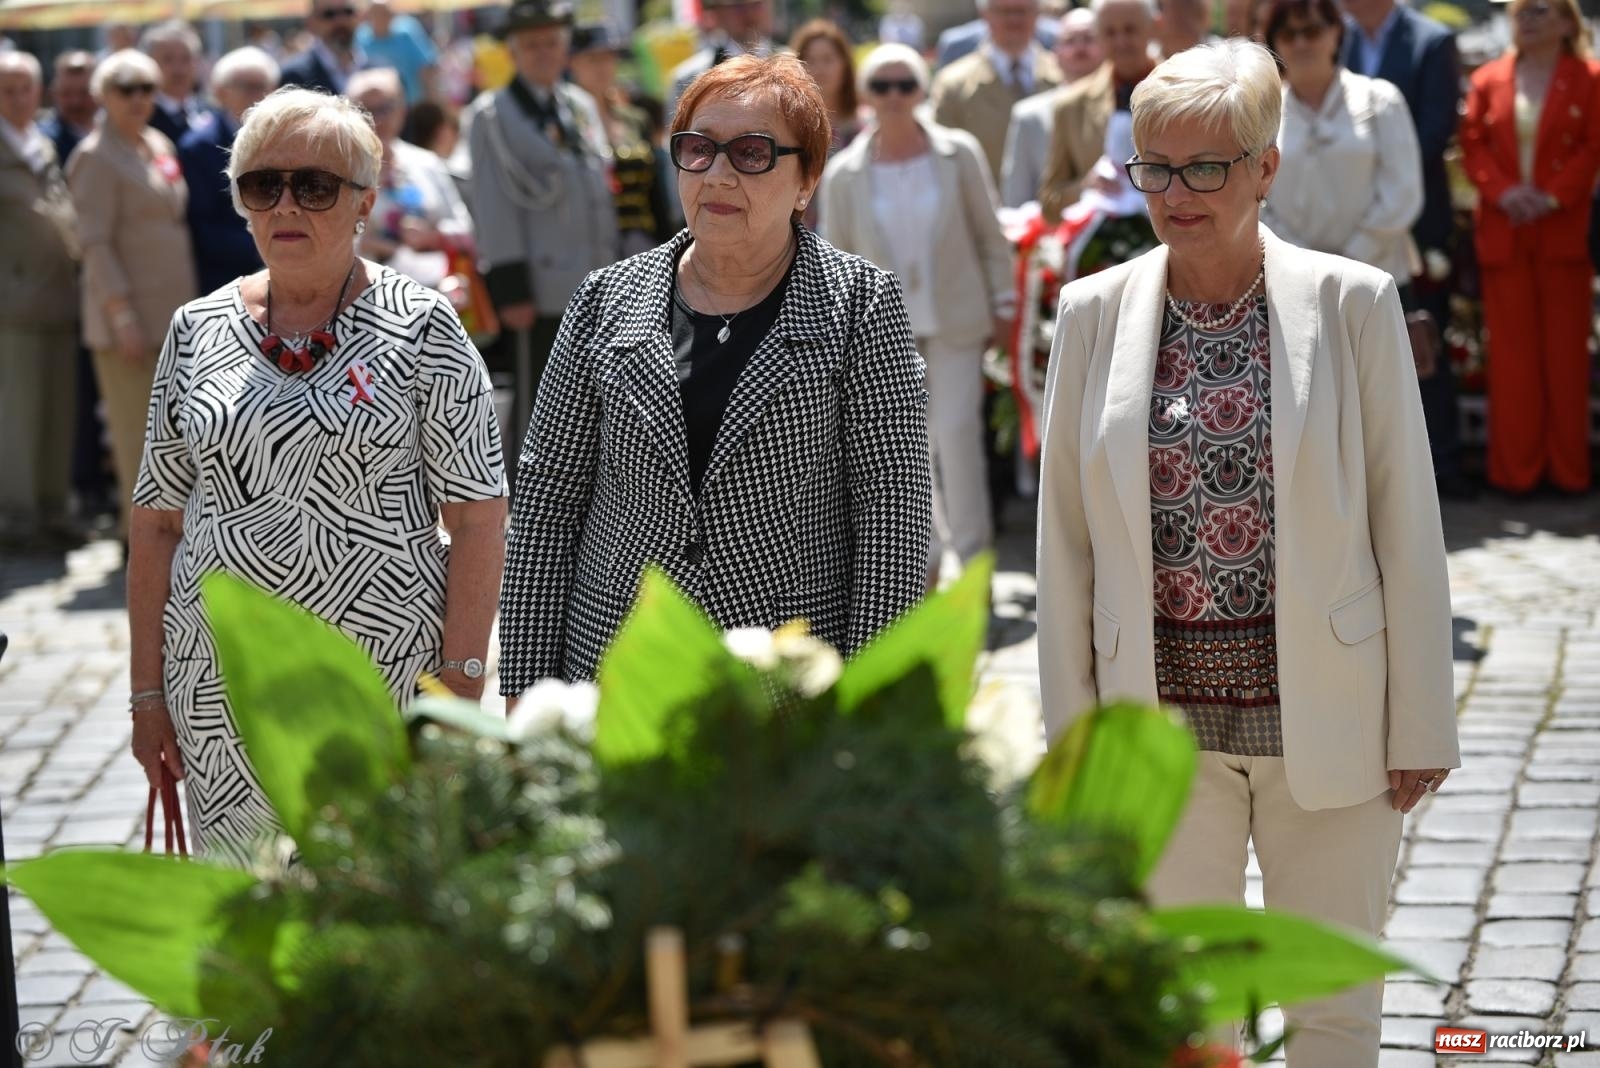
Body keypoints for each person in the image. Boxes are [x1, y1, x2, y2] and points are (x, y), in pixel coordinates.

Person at [1036, 40, 1458, 1068]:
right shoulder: (1093, 311)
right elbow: (1064, 543)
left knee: (1333, 1007)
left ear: (1265, 168)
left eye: (1206, 167)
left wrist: (1422, 719)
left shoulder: (1352, 303)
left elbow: (1406, 517)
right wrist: (1071, 744)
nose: (1176, 193)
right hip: (1158, 727)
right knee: (1182, 1016)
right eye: (1156, 168)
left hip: (1334, 718)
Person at [127, 87, 507, 867]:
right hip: (221, 689)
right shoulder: (195, 329)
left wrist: (462, 687)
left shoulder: (426, 324)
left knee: (377, 926)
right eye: (263, 185)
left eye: (315, 185)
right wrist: (147, 696)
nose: (286, 204)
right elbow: (157, 520)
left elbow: (477, 515)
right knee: (249, 921)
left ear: (365, 200)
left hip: (383, 679)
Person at [497, 54, 931, 695]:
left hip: (786, 690)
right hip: (619, 675)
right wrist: (527, 694)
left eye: (752, 153)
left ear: (807, 179)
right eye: (697, 150)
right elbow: (546, 505)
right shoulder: (604, 298)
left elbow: (892, 520)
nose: (718, 174)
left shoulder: (859, 304)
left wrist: (868, 709)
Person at [820, 43, 1011, 586]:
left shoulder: (958, 151)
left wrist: (1003, 302)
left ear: (923, 88)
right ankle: (920, 566)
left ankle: (974, 567)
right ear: (866, 95)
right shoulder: (845, 173)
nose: (895, 96)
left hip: (956, 318)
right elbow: (835, 259)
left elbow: (988, 233)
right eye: (883, 86)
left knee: (956, 436)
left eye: (906, 84)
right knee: (904, 449)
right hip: (883, 332)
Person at [465, 0, 617, 454]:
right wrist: (511, 289)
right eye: (531, 45)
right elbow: (492, 205)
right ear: (513, 52)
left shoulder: (578, 106)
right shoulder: (491, 115)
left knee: (595, 408)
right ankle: (534, 514)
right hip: (541, 290)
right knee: (544, 414)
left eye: (552, 43)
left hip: (596, 280)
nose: (544, 53)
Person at [1461, 0, 1600, 496]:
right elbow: (1471, 144)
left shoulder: (1590, 76)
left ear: (1567, 21)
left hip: (1561, 228)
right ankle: (1515, 474)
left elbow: (1593, 145)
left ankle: (1569, 472)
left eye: (1540, 10)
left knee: (1565, 357)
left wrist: (1551, 195)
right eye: (1520, 11)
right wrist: (1503, 192)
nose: (1528, 19)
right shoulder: (1487, 79)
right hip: (1506, 228)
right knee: (1511, 359)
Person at [67, 49, 197, 546]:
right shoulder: (95, 156)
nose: (140, 97)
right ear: (103, 94)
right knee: (135, 436)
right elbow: (93, 242)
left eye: (148, 87)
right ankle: (138, 540)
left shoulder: (156, 142)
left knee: (170, 435)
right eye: (127, 88)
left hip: (170, 316)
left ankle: (168, 535)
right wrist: (121, 315)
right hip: (129, 320)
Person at [1339, 0, 1468, 497]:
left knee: (1422, 342)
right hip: (1347, 222)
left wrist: (1386, 182)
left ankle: (1440, 465)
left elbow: (1436, 127)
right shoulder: (1332, 36)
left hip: (1411, 219)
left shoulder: (1431, 40)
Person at [1260, 0, 1423, 289]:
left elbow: (1402, 192)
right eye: (1288, 35)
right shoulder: (1262, 115)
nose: (1300, 43)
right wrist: (1303, 261)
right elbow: (1257, 200)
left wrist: (1351, 256)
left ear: (1336, 31)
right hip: (1297, 283)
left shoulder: (1380, 100)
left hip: (1377, 278)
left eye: (1311, 31)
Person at [0, 51, 81, 551]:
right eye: (7, 87)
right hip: (13, 304)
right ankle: (17, 517)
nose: (17, 96)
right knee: (17, 414)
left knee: (57, 412)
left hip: (59, 297)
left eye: (25, 86)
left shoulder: (41, 144)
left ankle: (52, 508)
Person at [348, 68, 473, 288]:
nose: (378, 119)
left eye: (386, 107)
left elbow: (464, 226)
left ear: (403, 109)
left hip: (439, 294)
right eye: (366, 110)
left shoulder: (425, 163)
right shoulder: (343, 172)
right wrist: (376, 245)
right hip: (371, 301)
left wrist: (432, 236)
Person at [1039, 0, 1157, 218]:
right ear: (1099, 36)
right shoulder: (1072, 106)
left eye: (1130, 29)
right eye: (1109, 32)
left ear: (1153, 27)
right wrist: (1087, 186)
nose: (1121, 41)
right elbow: (1049, 203)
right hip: (1105, 245)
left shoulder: (1186, 93)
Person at [568, 21, 674, 257]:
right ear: (572, 64)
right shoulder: (565, 123)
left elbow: (656, 192)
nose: (602, 67)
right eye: (592, 59)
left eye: (608, 57)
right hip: (588, 245)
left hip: (643, 241)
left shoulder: (635, 119)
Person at [179, 47, 279, 296]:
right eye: (247, 86)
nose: (259, 95)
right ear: (220, 92)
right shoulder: (199, 146)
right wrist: (268, 246)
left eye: (264, 86)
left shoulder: (284, 139)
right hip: (227, 280)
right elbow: (201, 224)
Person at [932, 0, 1065, 184]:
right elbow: (943, 160)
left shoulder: (1065, 77)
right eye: (1004, 11)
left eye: (1021, 11)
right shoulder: (953, 85)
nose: (1014, 20)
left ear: (1037, 13)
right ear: (985, 15)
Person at [1001, 6, 1103, 207]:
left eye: (1089, 39)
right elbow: (1016, 200)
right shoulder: (1029, 115)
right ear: (1055, 54)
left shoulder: (1129, 105)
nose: (1080, 49)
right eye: (1070, 41)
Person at [667, 0, 776, 121]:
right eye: (738, 6)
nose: (749, 13)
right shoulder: (690, 77)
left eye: (757, 4)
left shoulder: (792, 61)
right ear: (717, 13)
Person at [356, 0, 439, 106]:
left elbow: (426, 67)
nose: (382, 18)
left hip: (410, 105)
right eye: (378, 14)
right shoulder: (361, 38)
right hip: (377, 107)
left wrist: (432, 100)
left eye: (386, 14)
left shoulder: (406, 34)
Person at [280, 0, 371, 95]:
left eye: (348, 11)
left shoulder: (374, 69)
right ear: (311, 23)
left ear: (360, 17)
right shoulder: (294, 76)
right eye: (329, 14)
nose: (341, 20)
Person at [141, 21, 207, 147]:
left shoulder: (209, 112)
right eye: (168, 59)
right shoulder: (142, 118)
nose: (178, 69)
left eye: (186, 59)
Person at [41, 51, 96, 165]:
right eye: (67, 93)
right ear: (54, 92)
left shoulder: (118, 131)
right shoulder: (44, 140)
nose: (75, 102)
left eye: (84, 93)